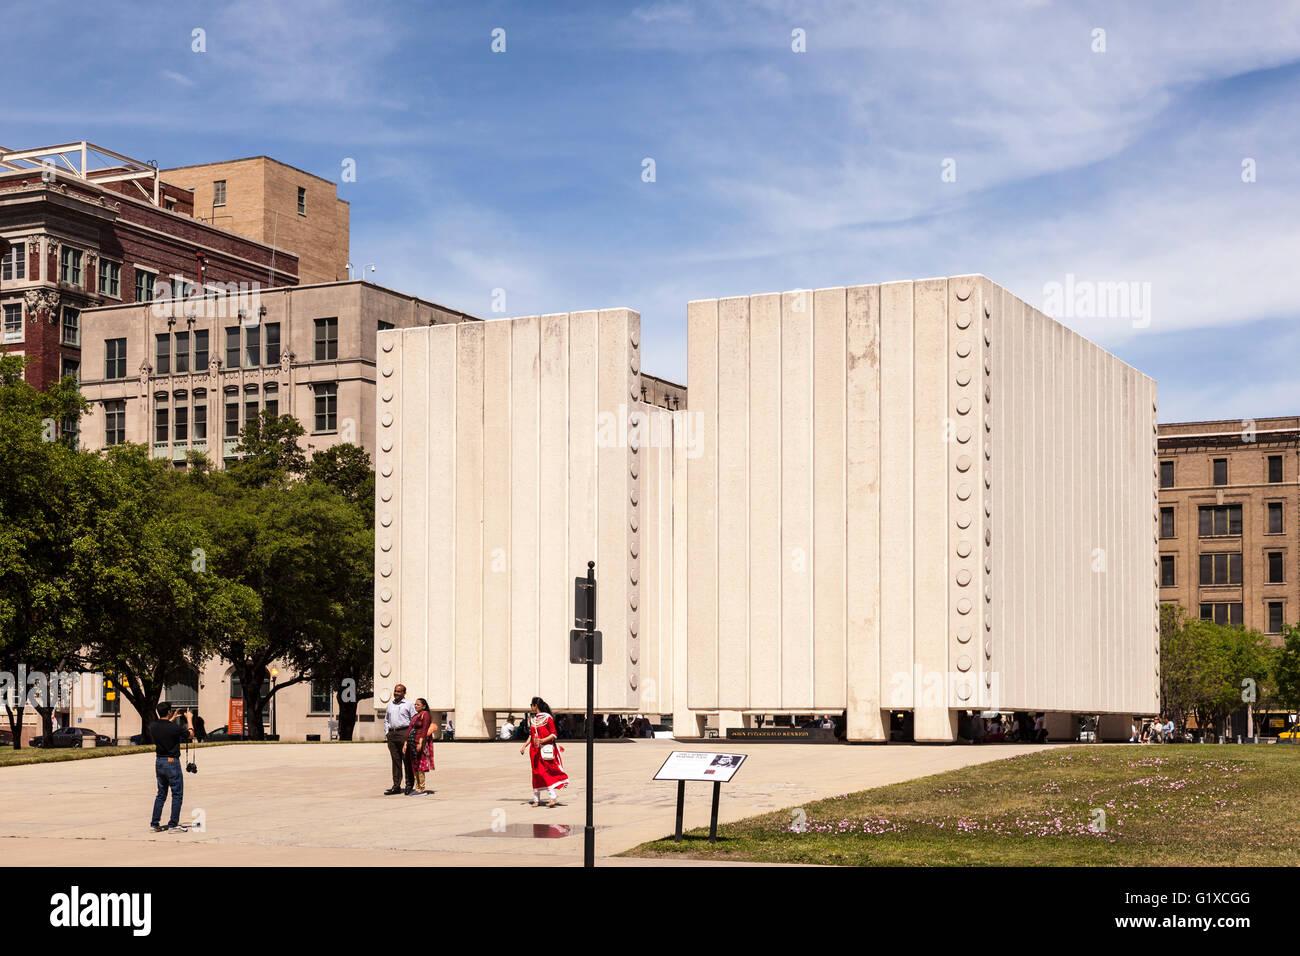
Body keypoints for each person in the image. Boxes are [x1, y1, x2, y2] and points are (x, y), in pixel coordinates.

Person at [149, 705, 192, 832]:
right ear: (168, 711)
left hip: (159, 762)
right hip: (172, 762)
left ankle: (154, 823)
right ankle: (173, 824)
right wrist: (189, 719)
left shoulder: (154, 726)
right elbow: (190, 735)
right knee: (177, 794)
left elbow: (164, 727)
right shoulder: (174, 727)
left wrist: (171, 718)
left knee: (161, 794)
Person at [521, 696, 568, 807]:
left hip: (544, 749)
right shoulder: (533, 719)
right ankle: (536, 799)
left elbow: (554, 734)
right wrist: (524, 746)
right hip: (534, 751)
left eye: (531, 705)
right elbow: (531, 735)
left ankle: (552, 797)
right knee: (535, 773)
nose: (531, 707)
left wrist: (542, 740)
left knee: (544, 772)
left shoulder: (547, 718)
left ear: (535, 706)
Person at [384, 684, 415, 795]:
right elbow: (386, 720)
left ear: (404, 693)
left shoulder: (409, 704)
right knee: (395, 761)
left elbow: (414, 721)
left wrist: (410, 735)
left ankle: (409, 785)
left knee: (406, 760)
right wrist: (387, 733)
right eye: (395, 691)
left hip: (404, 733)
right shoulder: (390, 705)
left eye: (399, 691)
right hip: (392, 734)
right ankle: (396, 786)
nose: (396, 693)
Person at [405, 698, 435, 795]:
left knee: (420, 764)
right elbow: (410, 729)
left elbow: (425, 729)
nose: (415, 706)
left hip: (418, 742)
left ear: (424, 706)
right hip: (411, 743)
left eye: (418, 705)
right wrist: (406, 742)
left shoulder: (425, 714)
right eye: (415, 704)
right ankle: (417, 787)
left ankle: (421, 788)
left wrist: (420, 742)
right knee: (414, 765)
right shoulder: (415, 715)